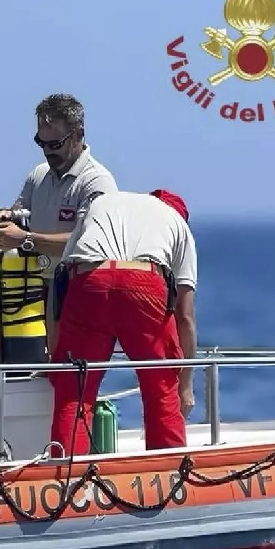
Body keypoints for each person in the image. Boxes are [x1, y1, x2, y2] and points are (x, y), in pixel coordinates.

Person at [47, 189, 197, 457]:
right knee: (161, 389)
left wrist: (56, 355)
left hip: (89, 281)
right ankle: (168, 476)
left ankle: (65, 482)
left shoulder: (102, 203)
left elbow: (61, 281)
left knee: (74, 394)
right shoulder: (178, 225)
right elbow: (185, 317)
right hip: (145, 283)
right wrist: (185, 386)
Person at [0, 93, 118, 356]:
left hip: (77, 297)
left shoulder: (97, 182)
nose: (48, 150)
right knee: (31, 374)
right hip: (36, 294)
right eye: (41, 142)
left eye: (55, 143)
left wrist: (24, 240)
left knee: (71, 376)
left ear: (78, 134)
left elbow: (87, 247)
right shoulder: (38, 176)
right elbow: (17, 211)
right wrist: (3, 217)